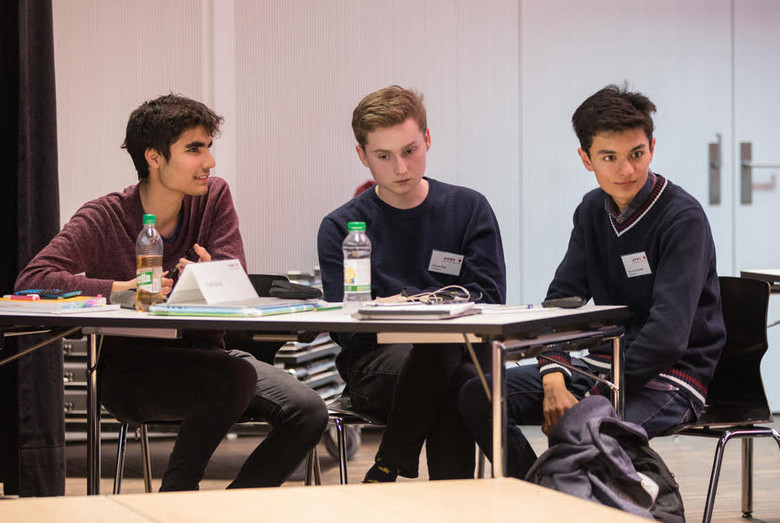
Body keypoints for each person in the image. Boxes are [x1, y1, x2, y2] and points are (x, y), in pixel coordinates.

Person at [15, 94, 328, 491]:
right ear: (154, 157)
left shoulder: (214, 197)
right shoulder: (105, 216)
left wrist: (206, 278)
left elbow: (236, 281)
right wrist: (118, 290)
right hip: (133, 371)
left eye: (208, 148)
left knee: (308, 410)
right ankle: (176, 498)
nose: (209, 162)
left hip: (214, 359)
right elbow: (33, 280)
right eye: (194, 149)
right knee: (231, 379)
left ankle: (225, 511)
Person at [459, 84, 727, 479]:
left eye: (637, 154)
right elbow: (561, 301)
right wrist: (553, 374)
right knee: (478, 394)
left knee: (581, 429)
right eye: (610, 157)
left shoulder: (681, 217)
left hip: (671, 378)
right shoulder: (591, 211)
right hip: (601, 367)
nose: (627, 170)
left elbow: (667, 338)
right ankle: (533, 492)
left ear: (652, 147)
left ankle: (553, 497)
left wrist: (595, 395)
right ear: (586, 159)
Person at [317, 85, 506, 482]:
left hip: (464, 357)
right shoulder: (341, 227)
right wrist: (435, 307)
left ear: (428, 140)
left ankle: (389, 462)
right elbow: (347, 329)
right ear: (361, 156)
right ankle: (479, 500)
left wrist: (401, 304)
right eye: (383, 157)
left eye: (409, 151)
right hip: (377, 369)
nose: (400, 168)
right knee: (453, 371)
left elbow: (490, 297)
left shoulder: (469, 209)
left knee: (451, 365)